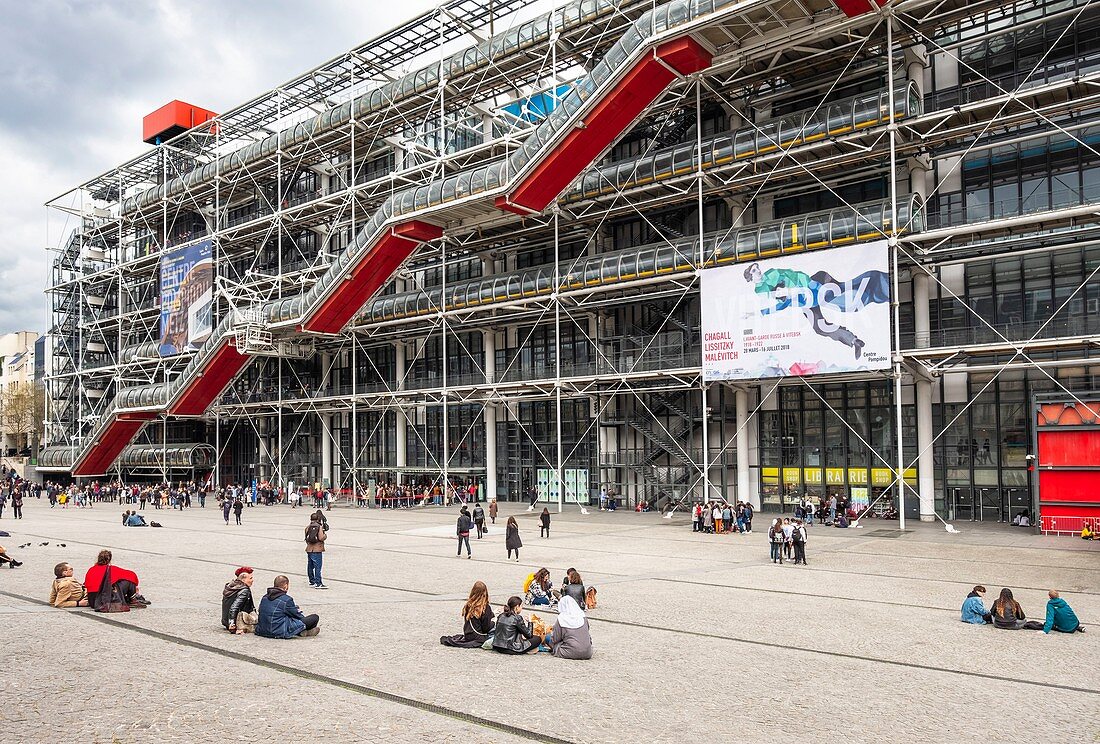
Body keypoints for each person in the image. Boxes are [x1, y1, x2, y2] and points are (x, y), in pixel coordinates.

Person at [84, 550, 150, 610]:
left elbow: (86, 584)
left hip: (93, 601)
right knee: (129, 581)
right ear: (109, 560)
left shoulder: (91, 570)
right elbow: (132, 575)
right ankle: (133, 599)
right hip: (106, 600)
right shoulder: (111, 569)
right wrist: (135, 587)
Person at [440, 581, 496, 648]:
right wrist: (493, 622)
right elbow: (485, 628)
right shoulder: (485, 607)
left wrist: (491, 614)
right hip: (479, 637)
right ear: (485, 592)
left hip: (468, 635)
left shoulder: (468, 605)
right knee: (496, 626)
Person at [547, 596, 593, 660]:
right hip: (588, 652)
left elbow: (555, 639)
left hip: (569, 651)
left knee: (547, 637)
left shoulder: (561, 619)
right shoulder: (583, 617)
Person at [221, 566, 258, 634]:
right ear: (243, 580)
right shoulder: (244, 590)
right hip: (238, 623)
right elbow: (234, 607)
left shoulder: (230, 586)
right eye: (250, 578)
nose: (252, 580)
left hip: (225, 621)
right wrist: (232, 625)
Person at [305, 513, 328, 588]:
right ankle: (319, 583)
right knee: (318, 567)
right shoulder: (319, 527)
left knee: (310, 566)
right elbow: (321, 537)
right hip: (317, 549)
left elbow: (306, 537)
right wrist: (325, 536)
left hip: (309, 549)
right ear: (318, 519)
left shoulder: (308, 527)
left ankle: (312, 581)